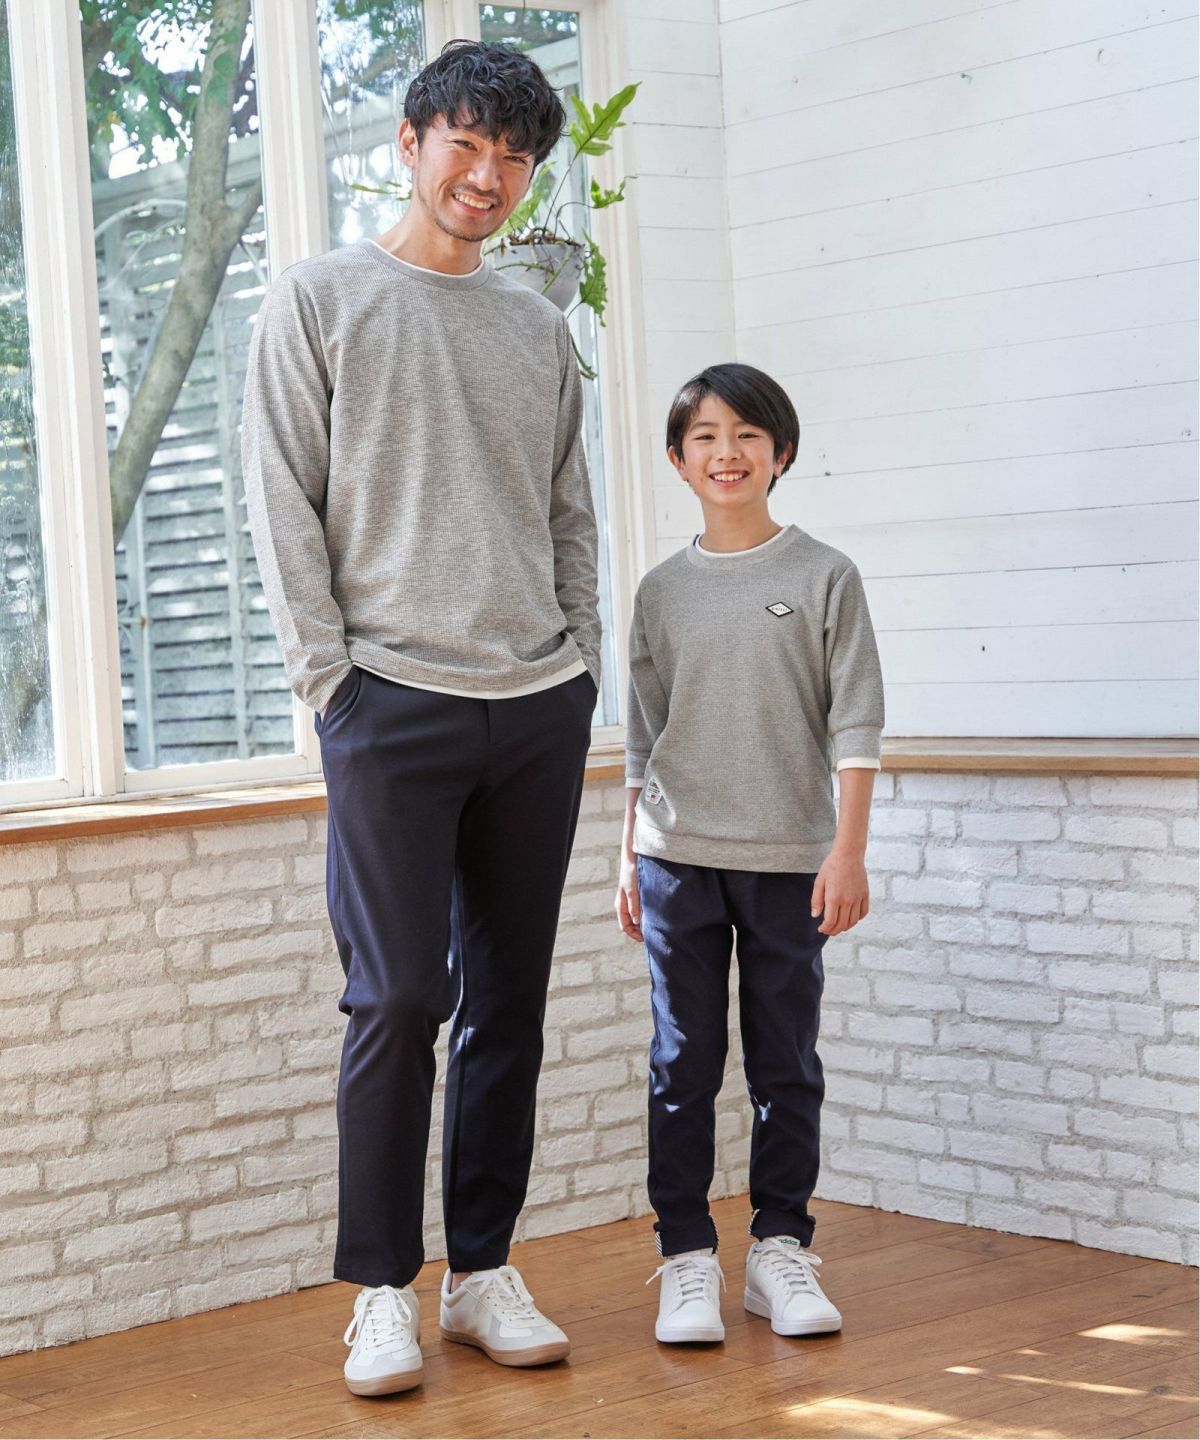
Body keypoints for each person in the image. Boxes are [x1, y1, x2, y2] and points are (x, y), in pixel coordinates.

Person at [241, 40, 602, 1396]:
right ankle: (380, 1291)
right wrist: (329, 685)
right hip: (388, 702)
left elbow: (570, 512)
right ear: (409, 143)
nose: (487, 177)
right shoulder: (321, 299)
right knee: (397, 999)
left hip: (536, 703)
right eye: (465, 145)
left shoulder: (536, 327)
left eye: (514, 158)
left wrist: (581, 664)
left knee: (510, 1003)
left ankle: (482, 1273)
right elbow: (284, 501)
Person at [614, 363, 884, 1345]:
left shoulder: (824, 575)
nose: (726, 453)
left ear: (781, 453)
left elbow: (856, 720)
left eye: (747, 436)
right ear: (678, 461)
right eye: (705, 438)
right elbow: (643, 736)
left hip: (790, 857)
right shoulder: (660, 591)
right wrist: (627, 855)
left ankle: (780, 1250)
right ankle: (686, 1257)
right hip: (674, 854)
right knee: (682, 1063)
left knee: (786, 1063)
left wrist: (847, 852)